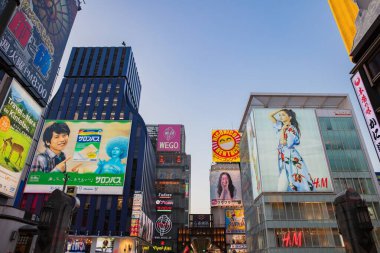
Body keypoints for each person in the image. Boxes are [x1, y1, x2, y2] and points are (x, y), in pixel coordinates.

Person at [269, 109, 314, 192]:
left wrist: (283, 130)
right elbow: (270, 115)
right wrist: (281, 109)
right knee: (286, 177)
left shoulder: (291, 129)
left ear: (290, 117)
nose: (280, 117)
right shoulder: (280, 125)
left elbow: (284, 143)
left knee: (293, 178)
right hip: (283, 156)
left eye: (283, 115)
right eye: (280, 115)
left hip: (291, 156)